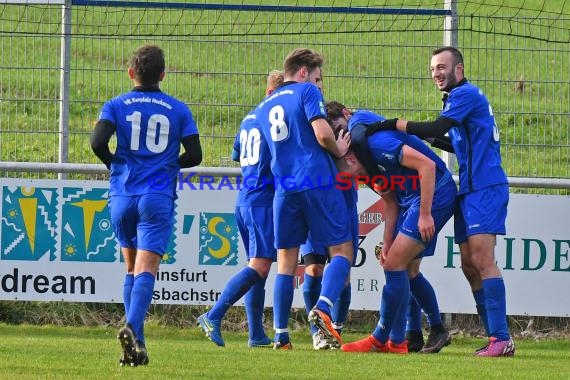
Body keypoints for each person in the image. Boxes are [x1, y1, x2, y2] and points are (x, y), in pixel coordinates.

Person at [367, 46, 514, 357]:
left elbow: (436, 128)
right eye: (433, 68)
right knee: (468, 265)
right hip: (470, 188)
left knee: (483, 261)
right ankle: (494, 338)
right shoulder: (458, 100)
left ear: (458, 70)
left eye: (442, 67)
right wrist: (421, 139)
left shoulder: (465, 94)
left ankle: (501, 338)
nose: (436, 73)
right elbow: (446, 138)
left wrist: (393, 124)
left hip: (486, 187)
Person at [90, 44, 202, 366]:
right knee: (147, 269)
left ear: (130, 73)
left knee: (130, 267)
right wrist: (169, 165)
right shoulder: (178, 109)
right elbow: (195, 155)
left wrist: (115, 164)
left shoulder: (116, 104)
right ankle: (133, 329)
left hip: (122, 196)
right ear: (163, 74)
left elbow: (97, 142)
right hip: (156, 196)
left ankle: (137, 345)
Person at [327, 101, 452, 353]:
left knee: (395, 264)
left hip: (434, 192)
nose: (352, 180)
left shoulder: (376, 145)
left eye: (346, 173)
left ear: (349, 155)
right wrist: (387, 241)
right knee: (405, 268)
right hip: (411, 199)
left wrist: (426, 214)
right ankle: (420, 334)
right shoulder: (365, 168)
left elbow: (427, 166)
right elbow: (390, 202)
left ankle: (381, 339)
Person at [255, 48, 353, 349]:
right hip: (316, 180)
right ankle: (323, 308)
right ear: (302, 73)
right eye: (318, 77)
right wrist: (338, 150)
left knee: (285, 264)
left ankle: (281, 335)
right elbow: (323, 135)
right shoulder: (306, 92)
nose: (320, 84)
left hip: (285, 188)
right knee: (342, 252)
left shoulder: (263, 106)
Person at [196, 70, 283, 349]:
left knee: (259, 265)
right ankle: (213, 315)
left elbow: (236, 154)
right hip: (261, 200)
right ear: (273, 93)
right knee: (259, 264)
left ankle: (256, 334)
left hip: (244, 197)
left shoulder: (248, 119)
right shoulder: (273, 119)